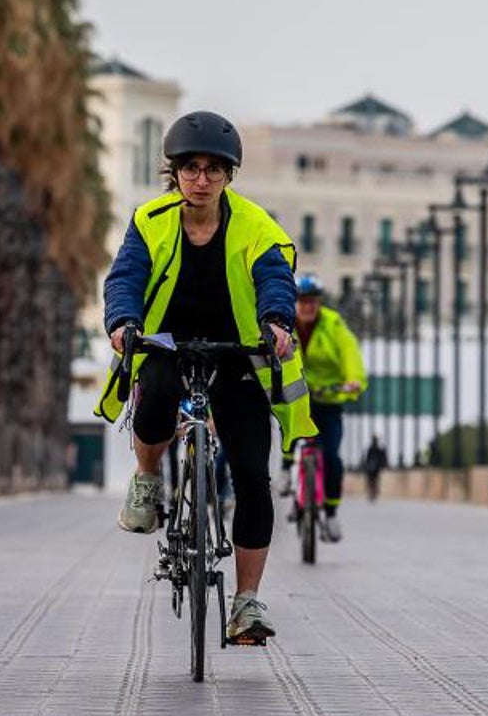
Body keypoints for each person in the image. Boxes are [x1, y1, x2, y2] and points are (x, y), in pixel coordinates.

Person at [94, 110, 317, 643]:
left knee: (252, 475)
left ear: (229, 176)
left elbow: (274, 279)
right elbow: (126, 276)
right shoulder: (151, 220)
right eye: (190, 169)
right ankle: (148, 480)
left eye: (213, 171)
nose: (201, 180)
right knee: (154, 399)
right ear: (174, 172)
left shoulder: (256, 226)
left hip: (236, 351)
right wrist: (124, 323)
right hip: (167, 344)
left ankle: (245, 603)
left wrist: (277, 322)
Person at [281, 273, 366, 542]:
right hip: (297, 396)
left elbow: (349, 352)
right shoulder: (284, 323)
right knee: (290, 433)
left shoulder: (333, 325)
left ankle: (330, 513)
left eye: (313, 302)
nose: (308, 307)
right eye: (303, 301)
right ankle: (286, 472)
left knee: (332, 457)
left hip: (329, 401)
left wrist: (353, 381)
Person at [363, 435, 387, 502]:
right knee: (372, 481)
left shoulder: (375, 449)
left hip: (374, 468)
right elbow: (368, 459)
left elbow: (381, 459)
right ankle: (372, 492)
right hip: (372, 468)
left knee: (373, 481)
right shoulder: (373, 449)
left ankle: (373, 493)